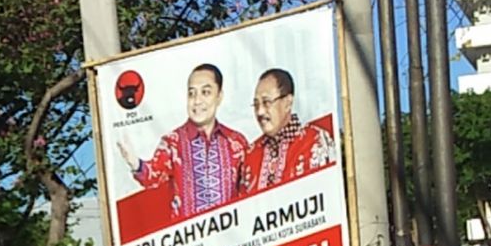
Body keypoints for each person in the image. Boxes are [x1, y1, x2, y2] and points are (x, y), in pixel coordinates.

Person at [117, 63, 249, 220]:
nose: (197, 101)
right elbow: (152, 176)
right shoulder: (173, 142)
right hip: (189, 240)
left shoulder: (236, 142)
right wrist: (135, 163)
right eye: (192, 94)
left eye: (205, 92)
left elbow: (249, 191)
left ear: (219, 96)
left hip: (232, 238)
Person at [240, 68, 337, 195]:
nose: (260, 112)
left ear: (288, 103)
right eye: (256, 105)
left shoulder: (315, 141)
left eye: (267, 102)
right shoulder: (250, 155)